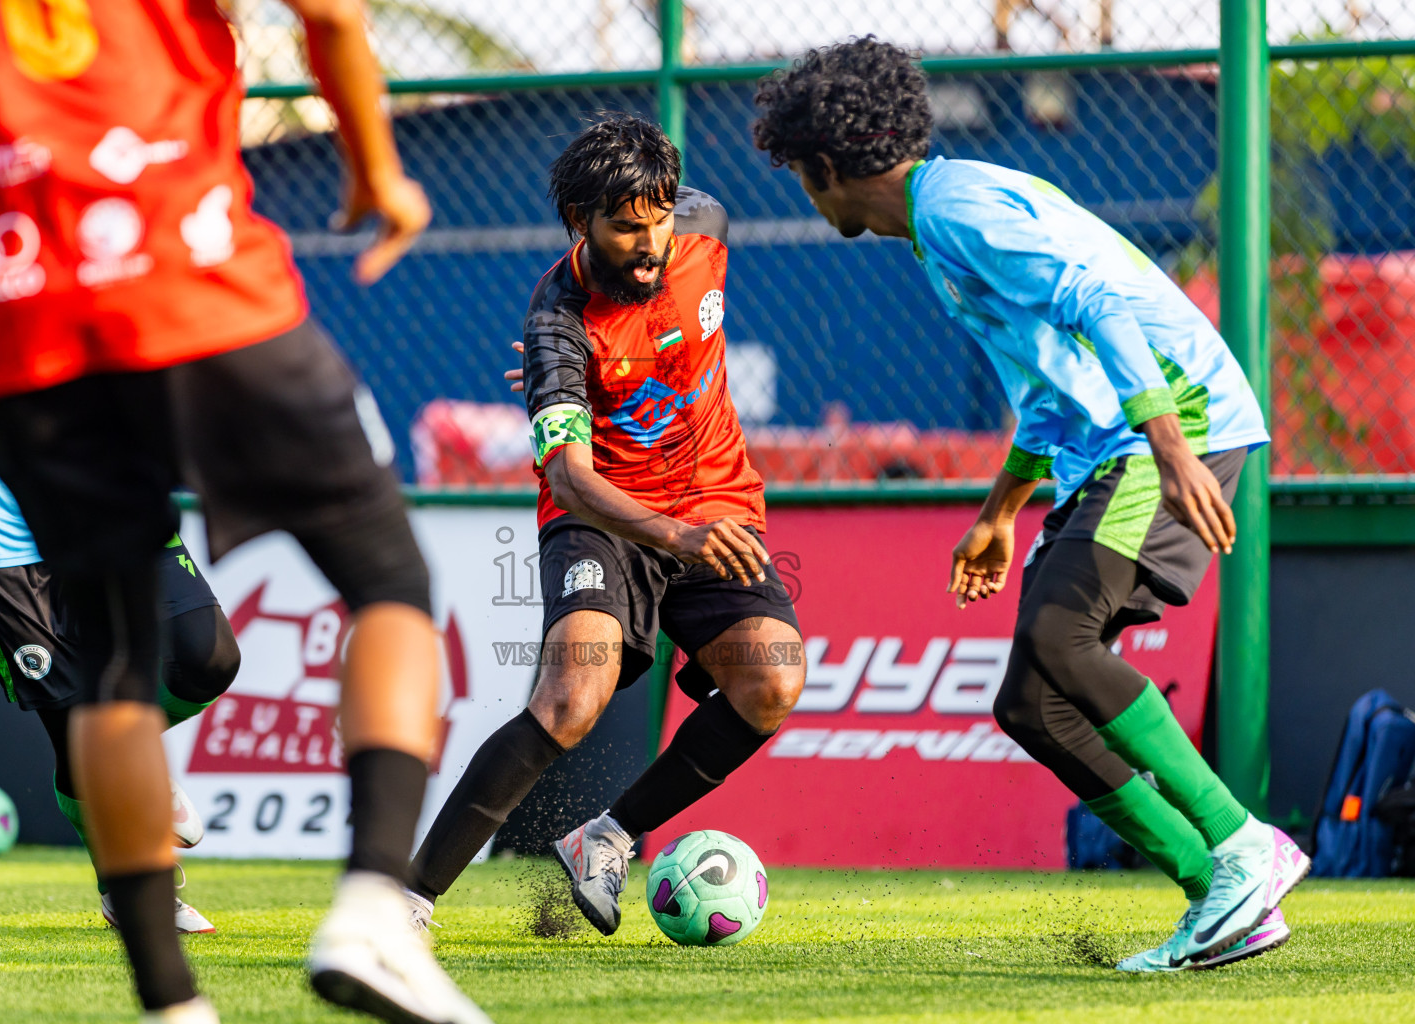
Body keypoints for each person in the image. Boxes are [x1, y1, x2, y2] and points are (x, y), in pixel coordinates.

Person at [0, 1, 487, 1021]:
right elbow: (330, 13)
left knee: (131, 667)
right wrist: (377, 168)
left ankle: (171, 1003)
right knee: (390, 582)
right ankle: (377, 905)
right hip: (203, 292)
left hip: (38, 345)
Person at [750, 37, 1308, 972]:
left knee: (1061, 639)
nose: (810, 197)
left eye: (804, 179)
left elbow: (1094, 297)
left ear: (825, 166)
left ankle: (1242, 847)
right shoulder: (941, 222)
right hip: (1116, 445)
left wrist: (1169, 442)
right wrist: (1002, 508)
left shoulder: (960, 212)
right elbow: (1050, 386)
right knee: (1031, 704)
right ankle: (1216, 889)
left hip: (1172, 433)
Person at [404, 116, 805, 939]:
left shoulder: (705, 226)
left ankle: (608, 837)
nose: (650, 240)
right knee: (568, 700)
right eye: (626, 226)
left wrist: (695, 530)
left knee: (771, 683)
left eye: (658, 216)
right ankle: (407, 902)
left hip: (716, 502)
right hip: (605, 521)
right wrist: (673, 535)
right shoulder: (557, 322)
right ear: (578, 223)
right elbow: (569, 478)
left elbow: (682, 232)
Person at [0, 230, 238, 934]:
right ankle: (133, 889)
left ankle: (124, 750)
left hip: (104, 493)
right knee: (72, 721)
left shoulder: (108, 214)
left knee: (207, 656)